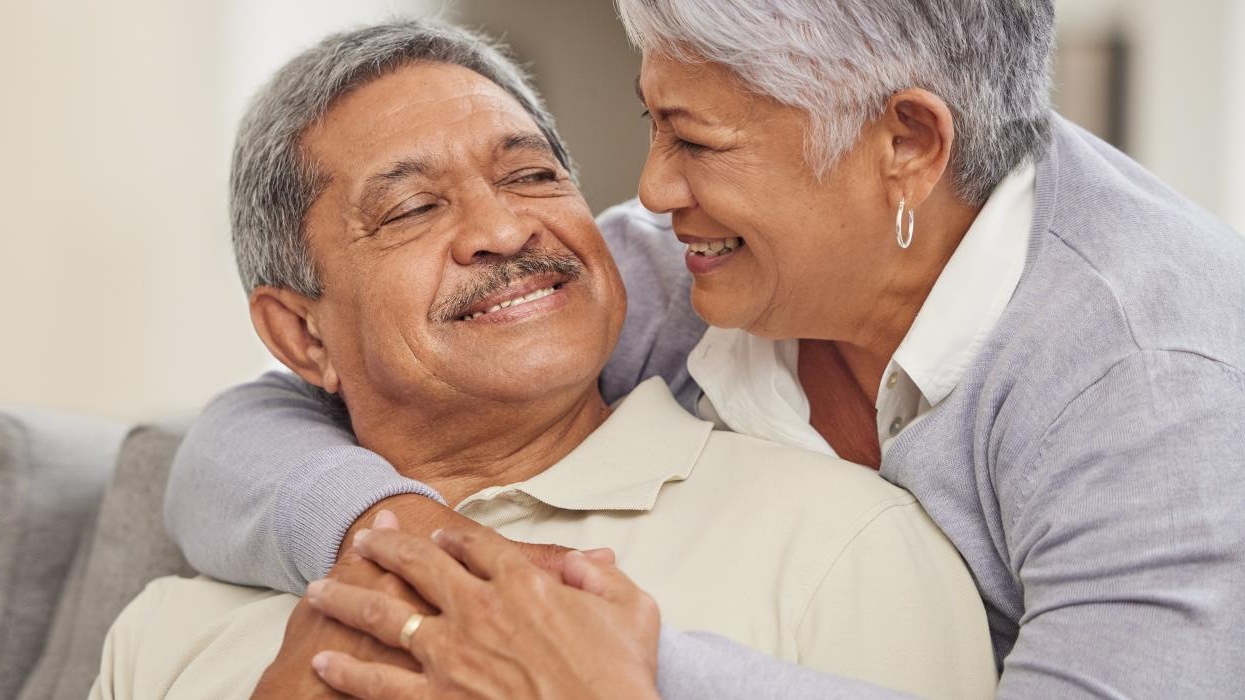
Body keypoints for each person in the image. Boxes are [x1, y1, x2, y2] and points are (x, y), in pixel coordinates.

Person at [166, 1, 1245, 698]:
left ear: (907, 144)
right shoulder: (691, 274)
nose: (649, 191)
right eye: (651, 122)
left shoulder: (1156, 378)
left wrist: (612, 666)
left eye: (696, 140)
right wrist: (396, 534)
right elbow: (249, 426)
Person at [91, 20, 996, 700]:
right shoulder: (167, 633)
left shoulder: (841, 542)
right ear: (302, 337)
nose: (503, 228)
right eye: (411, 210)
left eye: (531, 175)